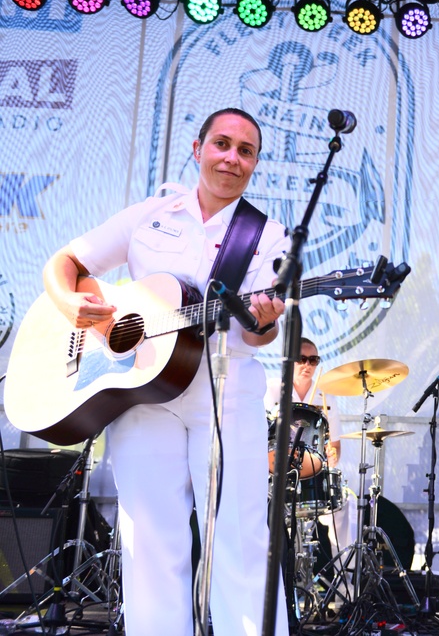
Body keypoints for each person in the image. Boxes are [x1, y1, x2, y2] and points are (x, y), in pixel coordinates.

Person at [42, 108, 289, 636]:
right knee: (149, 542)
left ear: (254, 165)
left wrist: (264, 322)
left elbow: (259, 335)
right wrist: (70, 304)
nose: (232, 158)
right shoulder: (149, 215)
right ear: (198, 150)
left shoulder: (268, 237)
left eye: (245, 151)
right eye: (222, 144)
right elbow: (66, 261)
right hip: (140, 389)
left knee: (240, 540)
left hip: (224, 393)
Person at [265, 337, 352, 554]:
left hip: (314, 474)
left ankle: (346, 584)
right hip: (277, 475)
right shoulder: (271, 390)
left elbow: (335, 448)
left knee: (344, 506)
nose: (307, 365)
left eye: (313, 360)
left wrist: (332, 455)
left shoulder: (327, 396)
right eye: (301, 359)